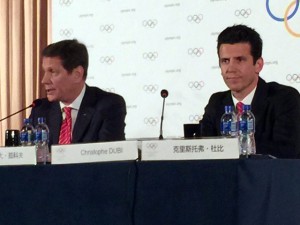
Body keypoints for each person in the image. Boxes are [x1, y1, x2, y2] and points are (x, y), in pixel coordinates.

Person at [201, 24, 300, 158]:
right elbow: (202, 149)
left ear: (258, 65)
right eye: (225, 61)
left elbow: (287, 150)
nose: (231, 68)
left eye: (239, 60)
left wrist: (229, 147)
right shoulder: (216, 102)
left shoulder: (284, 98)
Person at [30, 39, 126, 146]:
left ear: (77, 74)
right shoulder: (40, 109)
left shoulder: (108, 106)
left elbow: (109, 158)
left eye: (52, 72)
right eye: (45, 71)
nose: (44, 80)